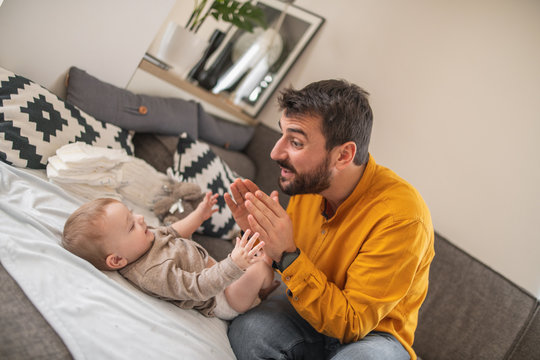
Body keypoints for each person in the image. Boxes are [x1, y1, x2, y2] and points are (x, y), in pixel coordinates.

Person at [224, 79, 435, 359]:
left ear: (343, 155)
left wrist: (287, 256)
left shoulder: (402, 216)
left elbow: (353, 324)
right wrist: (264, 247)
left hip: (373, 336)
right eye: (282, 135)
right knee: (248, 331)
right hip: (308, 315)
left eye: (296, 142)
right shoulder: (309, 184)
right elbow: (285, 275)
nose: (275, 152)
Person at [62, 192, 277, 320]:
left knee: (254, 257)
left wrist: (198, 215)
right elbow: (198, 288)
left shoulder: (143, 241)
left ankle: (263, 278)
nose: (140, 218)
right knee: (258, 268)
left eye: (131, 213)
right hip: (220, 298)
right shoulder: (151, 273)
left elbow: (173, 231)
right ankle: (264, 286)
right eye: (130, 225)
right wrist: (233, 265)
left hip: (218, 273)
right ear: (117, 260)